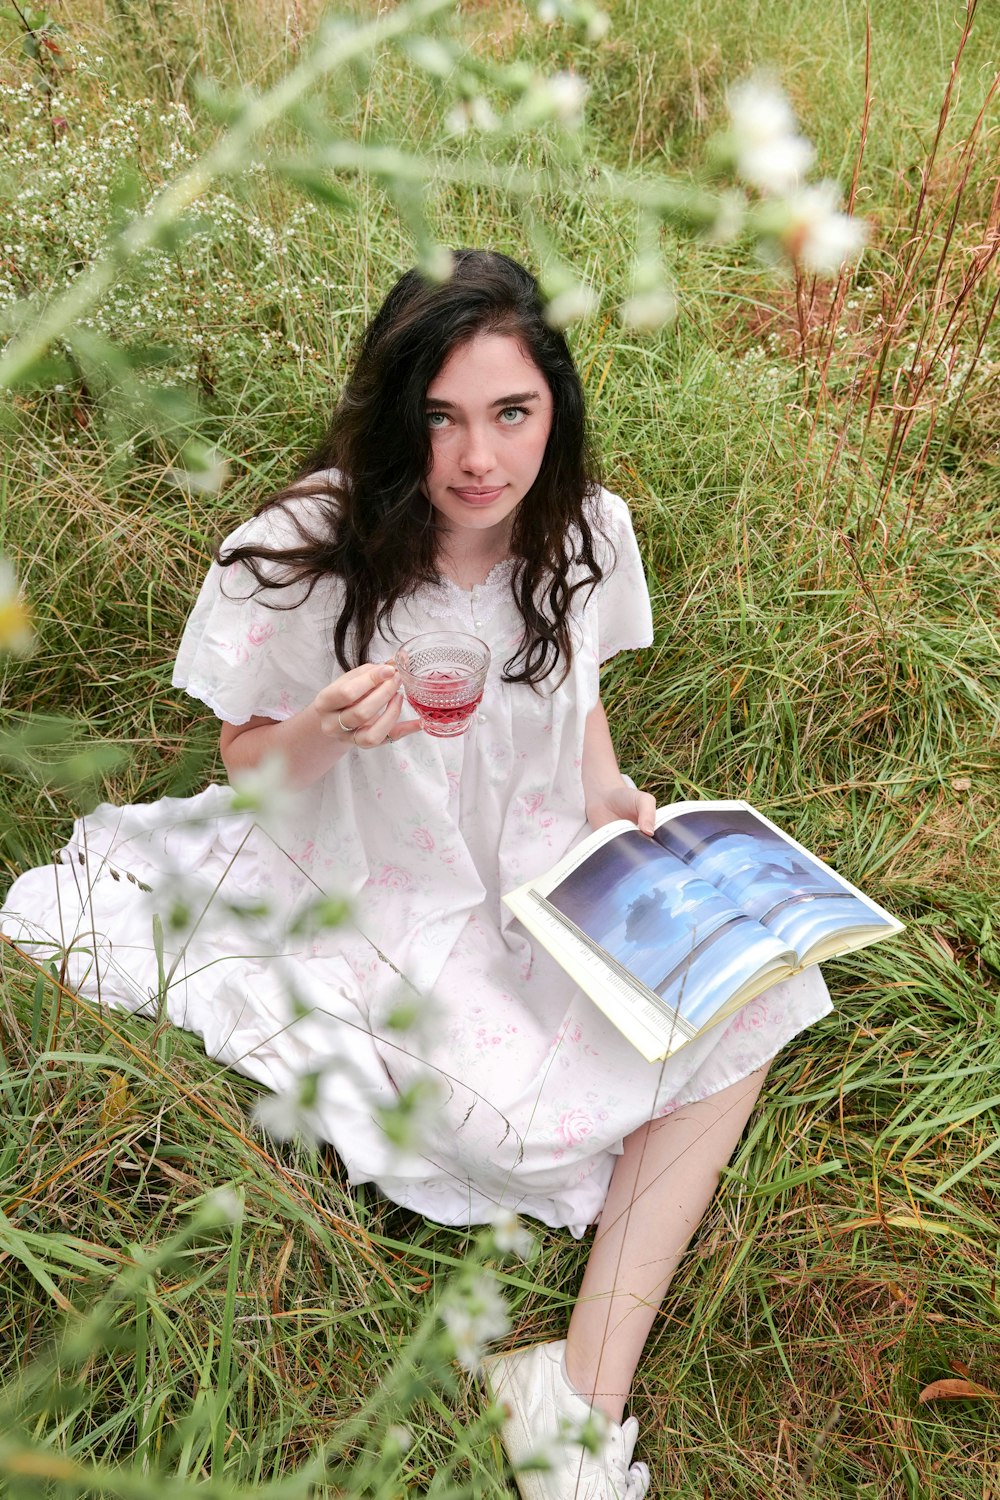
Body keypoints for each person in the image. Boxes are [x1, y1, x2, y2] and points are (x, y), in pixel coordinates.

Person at [0, 249, 832, 1499]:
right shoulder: (310, 547)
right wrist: (328, 730)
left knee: (760, 997)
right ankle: (569, 1402)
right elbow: (249, 766)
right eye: (440, 417)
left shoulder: (584, 530)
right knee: (504, 1130)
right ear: (397, 415)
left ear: (555, 408)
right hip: (374, 879)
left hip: (541, 864)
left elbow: (580, 689)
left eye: (512, 413)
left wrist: (604, 791)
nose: (478, 459)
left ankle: (576, 1393)